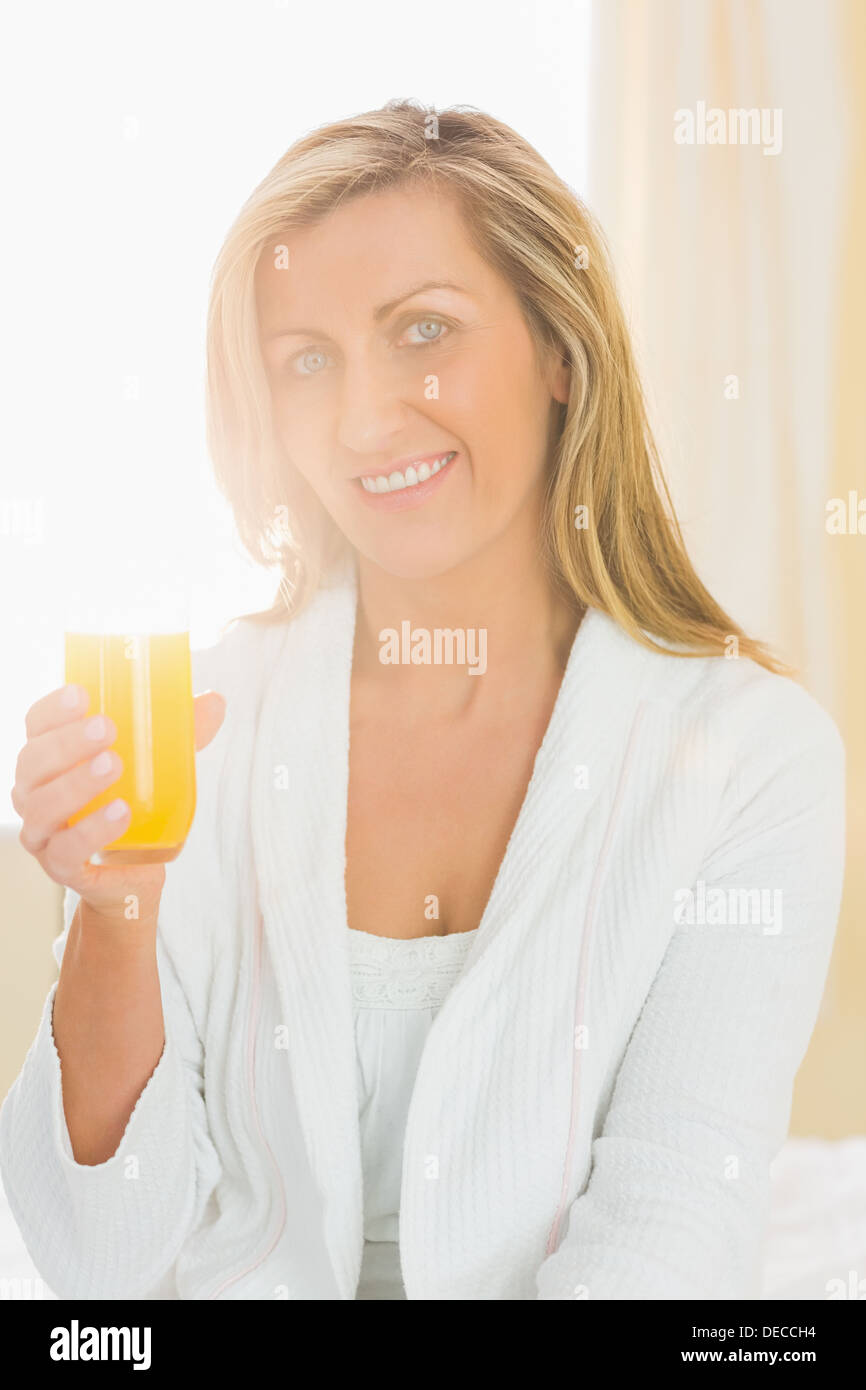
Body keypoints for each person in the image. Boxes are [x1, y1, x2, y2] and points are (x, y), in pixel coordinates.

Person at [1, 101, 845, 1300]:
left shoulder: (749, 756)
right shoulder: (191, 729)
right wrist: (115, 908)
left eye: (423, 331)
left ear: (559, 349)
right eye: (306, 360)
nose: (359, 418)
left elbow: (669, 1230)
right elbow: (101, 1261)